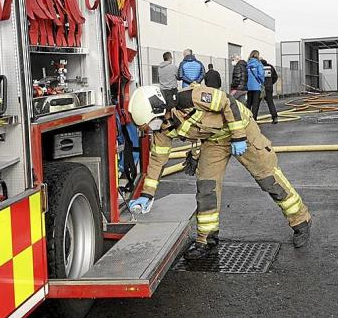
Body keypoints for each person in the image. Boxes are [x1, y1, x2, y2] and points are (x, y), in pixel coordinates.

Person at [127, 85, 312, 260]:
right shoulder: (162, 128)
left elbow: (227, 102)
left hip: (242, 130)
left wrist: (238, 136)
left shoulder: (190, 97)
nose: (152, 128)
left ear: (159, 108)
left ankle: (301, 221)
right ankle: (206, 241)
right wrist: (147, 194)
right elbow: (158, 160)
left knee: (269, 179)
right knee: (206, 188)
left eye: (151, 123)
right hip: (214, 141)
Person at [246, 50, 265, 119]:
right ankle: (254, 119)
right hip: (256, 86)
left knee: (249, 103)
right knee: (255, 104)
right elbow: (261, 74)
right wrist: (262, 82)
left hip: (248, 87)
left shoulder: (247, 63)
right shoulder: (258, 64)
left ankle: (247, 117)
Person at [260, 59, 279, 124]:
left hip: (260, 88)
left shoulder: (258, 67)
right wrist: (271, 83)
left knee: (255, 103)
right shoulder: (270, 67)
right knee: (270, 103)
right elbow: (275, 77)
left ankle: (253, 119)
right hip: (269, 87)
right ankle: (275, 117)